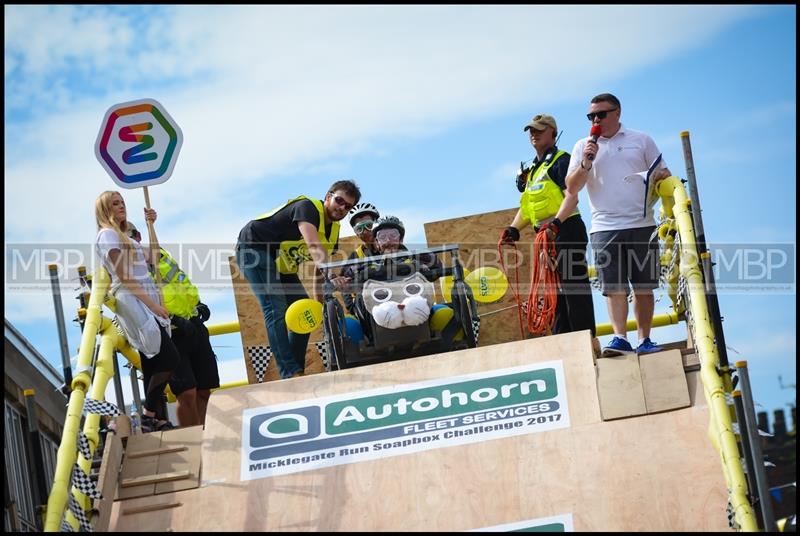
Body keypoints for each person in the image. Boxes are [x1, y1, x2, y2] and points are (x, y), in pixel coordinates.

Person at [564, 93, 671, 356]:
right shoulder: (582, 146)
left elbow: (664, 173)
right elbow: (572, 187)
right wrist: (586, 162)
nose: (596, 120)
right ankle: (620, 338)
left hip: (642, 223)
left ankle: (645, 340)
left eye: (601, 114)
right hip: (604, 227)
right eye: (591, 116)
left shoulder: (641, 140)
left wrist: (661, 180)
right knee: (614, 289)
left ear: (617, 113)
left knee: (644, 287)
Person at [235, 180, 357, 379]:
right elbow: (314, 246)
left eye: (348, 206)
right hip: (255, 247)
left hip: (281, 263)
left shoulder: (333, 231)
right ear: (328, 196)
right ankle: (289, 372)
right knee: (275, 307)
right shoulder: (307, 207)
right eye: (339, 200)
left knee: (305, 310)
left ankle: (296, 369)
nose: (342, 207)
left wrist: (318, 306)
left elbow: (320, 272)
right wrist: (333, 276)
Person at [499, 113, 596, 338]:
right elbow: (528, 206)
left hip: (566, 229)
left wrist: (556, 224)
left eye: (539, 130)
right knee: (555, 292)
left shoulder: (561, 161)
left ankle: (585, 340)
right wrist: (514, 228)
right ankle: (563, 340)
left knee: (574, 288)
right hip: (546, 235)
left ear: (552, 132)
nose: (534, 134)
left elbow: (572, 196)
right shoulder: (533, 170)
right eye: (531, 130)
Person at [94, 191, 177, 433]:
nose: (121, 207)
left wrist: (151, 225)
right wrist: (152, 305)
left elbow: (154, 255)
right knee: (169, 357)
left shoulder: (124, 236)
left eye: (122, 203)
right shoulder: (107, 235)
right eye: (115, 204)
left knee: (152, 358)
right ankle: (149, 413)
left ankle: (157, 418)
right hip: (132, 297)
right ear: (104, 209)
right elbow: (124, 276)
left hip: (144, 293)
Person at [128, 223, 220, 426]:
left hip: (193, 325)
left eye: (132, 235)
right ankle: (195, 440)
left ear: (139, 236)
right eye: (123, 238)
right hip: (171, 334)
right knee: (186, 393)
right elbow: (139, 305)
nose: (129, 241)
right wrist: (173, 319)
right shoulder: (129, 270)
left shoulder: (160, 255)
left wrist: (198, 304)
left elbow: (181, 282)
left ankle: (206, 432)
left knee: (205, 390)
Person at [340, 202, 382, 316]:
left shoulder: (394, 247)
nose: (365, 231)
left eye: (369, 225)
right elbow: (343, 283)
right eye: (359, 229)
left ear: (376, 224)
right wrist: (352, 307)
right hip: (370, 309)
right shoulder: (355, 256)